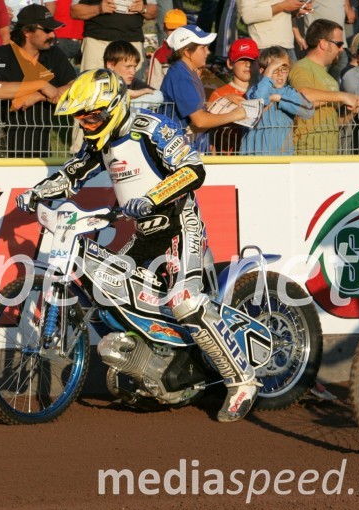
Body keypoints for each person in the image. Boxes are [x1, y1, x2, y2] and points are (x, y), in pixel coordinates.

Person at [15, 68, 263, 422]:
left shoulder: (152, 128)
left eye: (92, 115)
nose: (86, 123)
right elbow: (71, 175)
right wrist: (36, 193)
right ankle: (154, 374)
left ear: (114, 106)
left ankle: (242, 381)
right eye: (80, 118)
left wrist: (152, 197)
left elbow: (194, 170)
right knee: (114, 296)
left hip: (179, 225)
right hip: (144, 233)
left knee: (184, 301)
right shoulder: (98, 142)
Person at [0, 4, 77, 156]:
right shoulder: (3, 53)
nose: (52, 35)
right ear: (27, 31)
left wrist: (39, 96)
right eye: (47, 30)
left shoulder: (55, 54)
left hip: (41, 146)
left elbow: (75, 86)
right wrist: (41, 85)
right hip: (3, 147)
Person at [160, 25, 247, 153]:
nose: (208, 52)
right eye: (203, 48)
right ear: (187, 52)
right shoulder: (180, 76)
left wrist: (224, 101)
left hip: (187, 148)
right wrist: (235, 115)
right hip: (178, 152)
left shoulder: (189, 72)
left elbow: (194, 107)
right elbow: (200, 120)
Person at [288, 18, 359, 154]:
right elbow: (301, 96)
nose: (342, 49)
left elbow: (334, 122)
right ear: (323, 44)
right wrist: (342, 96)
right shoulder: (302, 67)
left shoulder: (330, 78)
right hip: (307, 151)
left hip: (328, 153)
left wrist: (351, 113)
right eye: (339, 44)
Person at [240, 45, 314, 155]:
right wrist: (268, 76)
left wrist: (279, 99)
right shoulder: (254, 90)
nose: (280, 74)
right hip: (253, 155)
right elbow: (259, 101)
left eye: (284, 69)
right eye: (274, 70)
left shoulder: (289, 92)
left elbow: (308, 110)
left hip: (281, 156)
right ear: (263, 71)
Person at [71, 0, 158, 71]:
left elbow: (153, 11)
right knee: (93, 86)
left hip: (131, 44)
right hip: (97, 43)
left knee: (129, 90)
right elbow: (74, 11)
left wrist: (143, 8)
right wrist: (98, 8)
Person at [208, 37, 259, 154]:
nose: (248, 64)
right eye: (242, 60)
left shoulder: (264, 92)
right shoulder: (219, 94)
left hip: (259, 156)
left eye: (252, 60)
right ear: (230, 63)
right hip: (228, 159)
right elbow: (210, 133)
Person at [237, 0, 314, 60]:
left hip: (288, 46)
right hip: (266, 48)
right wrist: (281, 6)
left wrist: (297, 9)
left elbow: (283, 11)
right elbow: (247, 16)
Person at [104, 39, 163, 108]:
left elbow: (158, 95)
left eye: (134, 67)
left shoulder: (133, 82)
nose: (133, 72)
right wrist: (130, 93)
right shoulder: (98, 82)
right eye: (128, 67)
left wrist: (129, 102)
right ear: (111, 65)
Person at [147, 8, 186, 89]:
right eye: (171, 29)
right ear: (164, 28)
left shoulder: (190, 51)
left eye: (179, 29)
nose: (175, 33)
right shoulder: (159, 54)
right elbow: (153, 84)